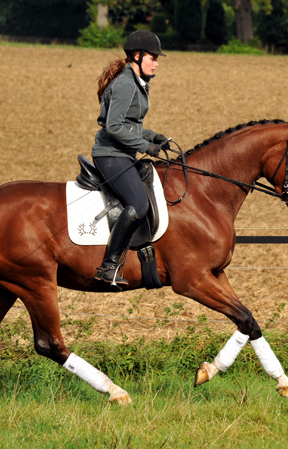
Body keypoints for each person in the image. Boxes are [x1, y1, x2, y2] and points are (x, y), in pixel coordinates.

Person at [92, 30, 169, 286]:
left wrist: (153, 136)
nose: (157, 63)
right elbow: (114, 127)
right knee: (139, 203)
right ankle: (108, 266)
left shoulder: (135, 83)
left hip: (122, 154)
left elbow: (129, 124)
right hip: (110, 155)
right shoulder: (126, 85)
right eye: (153, 57)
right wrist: (145, 145)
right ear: (137, 56)